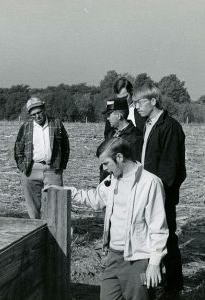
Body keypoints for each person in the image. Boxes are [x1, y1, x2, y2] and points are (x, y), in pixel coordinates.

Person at [69, 137, 168, 300]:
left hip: (138, 260)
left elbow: (158, 228)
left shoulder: (150, 183)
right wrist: (67, 191)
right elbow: (95, 198)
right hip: (113, 256)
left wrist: (154, 263)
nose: (104, 168)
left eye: (106, 163)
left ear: (120, 157)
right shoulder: (112, 179)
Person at [133, 83, 186, 299]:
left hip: (162, 194)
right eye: (134, 103)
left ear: (153, 101)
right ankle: (155, 283)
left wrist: (157, 194)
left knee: (166, 240)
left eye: (140, 102)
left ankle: (173, 289)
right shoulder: (148, 124)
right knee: (152, 240)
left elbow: (171, 168)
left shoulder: (169, 126)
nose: (136, 107)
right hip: (149, 192)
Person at [14, 97, 70, 219]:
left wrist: (61, 165)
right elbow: (18, 147)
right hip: (31, 169)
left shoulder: (56, 123)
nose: (37, 116)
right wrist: (23, 166)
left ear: (44, 110)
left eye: (39, 112)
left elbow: (65, 145)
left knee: (55, 203)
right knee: (33, 206)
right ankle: (36, 231)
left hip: (52, 169)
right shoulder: (26, 126)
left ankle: (53, 233)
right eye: (33, 115)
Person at [100, 96, 143, 181]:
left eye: (109, 114)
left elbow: (134, 167)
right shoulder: (111, 134)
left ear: (119, 116)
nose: (107, 118)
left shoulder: (135, 137)